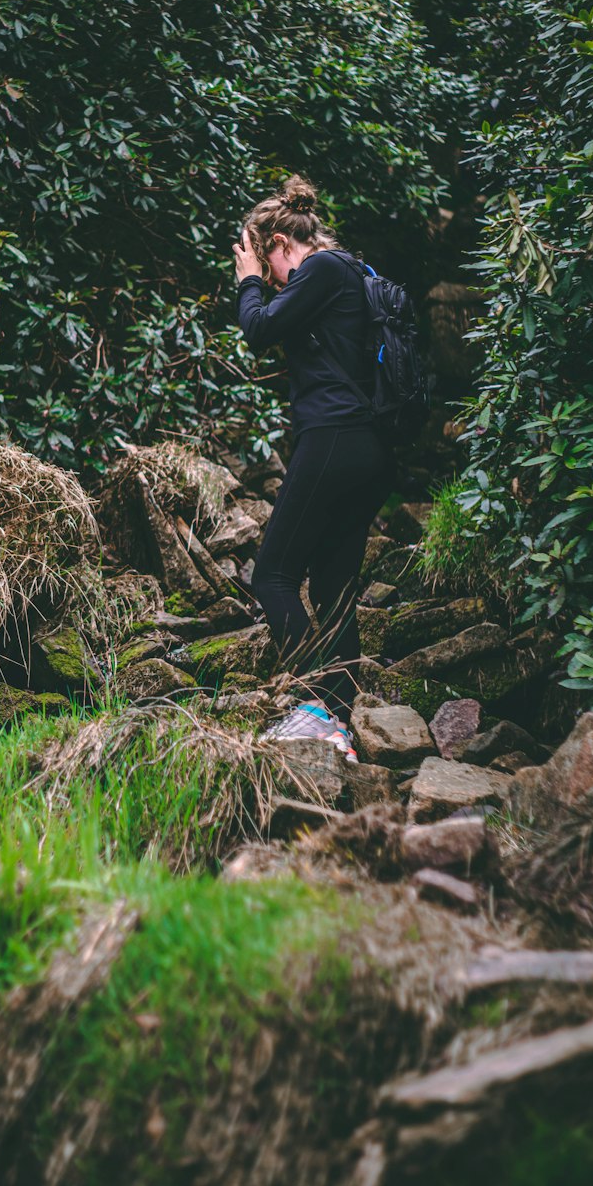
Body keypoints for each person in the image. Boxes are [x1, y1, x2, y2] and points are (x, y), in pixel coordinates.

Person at [233, 174, 397, 759]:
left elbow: (260, 329)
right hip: (368, 448)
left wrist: (249, 281)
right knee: (331, 585)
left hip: (334, 437)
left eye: (264, 259)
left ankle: (318, 708)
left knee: (271, 575)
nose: (273, 277)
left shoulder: (321, 271)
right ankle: (342, 726)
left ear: (276, 242)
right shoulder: (348, 273)